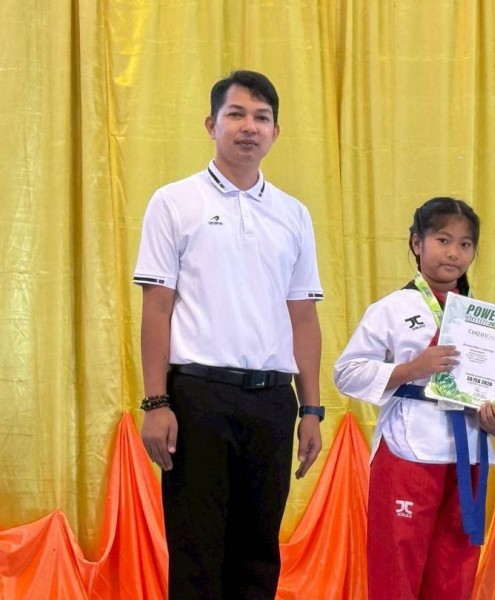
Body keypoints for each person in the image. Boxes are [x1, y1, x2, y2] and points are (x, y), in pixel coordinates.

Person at [132, 70, 325, 599]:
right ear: (211, 124)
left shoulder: (293, 214)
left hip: (272, 402)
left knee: (259, 551)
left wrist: (311, 409)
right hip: (198, 398)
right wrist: (156, 402)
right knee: (197, 548)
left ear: (275, 132)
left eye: (261, 118)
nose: (249, 127)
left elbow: (304, 318)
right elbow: (157, 308)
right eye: (236, 114)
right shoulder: (174, 202)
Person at [334, 197, 495, 600]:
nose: (454, 253)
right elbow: (346, 372)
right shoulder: (391, 309)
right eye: (443, 240)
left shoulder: (488, 321)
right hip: (407, 449)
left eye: (465, 244)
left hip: (469, 450)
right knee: (396, 566)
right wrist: (410, 369)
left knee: (456, 569)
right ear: (417, 243)